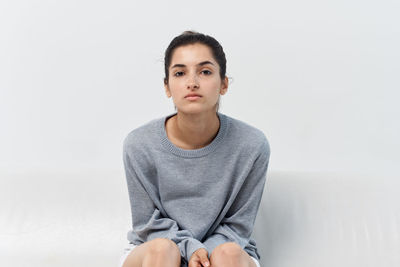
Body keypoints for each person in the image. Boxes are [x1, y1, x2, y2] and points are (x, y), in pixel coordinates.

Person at [120, 30, 270, 267]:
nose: (192, 83)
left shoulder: (252, 145)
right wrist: (189, 249)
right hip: (156, 249)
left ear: (224, 84)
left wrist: (203, 253)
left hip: (227, 248)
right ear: (167, 86)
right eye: (180, 73)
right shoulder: (139, 145)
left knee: (227, 254)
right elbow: (148, 225)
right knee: (162, 251)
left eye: (205, 72)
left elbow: (238, 226)